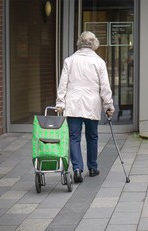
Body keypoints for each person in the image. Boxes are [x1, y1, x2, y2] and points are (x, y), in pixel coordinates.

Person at [56, 31, 115, 183]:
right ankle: (93, 168)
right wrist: (108, 105)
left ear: (79, 43)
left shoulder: (69, 61)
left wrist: (60, 103)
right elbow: (105, 87)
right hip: (91, 104)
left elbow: (63, 84)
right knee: (92, 136)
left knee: (74, 137)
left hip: (73, 104)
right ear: (94, 44)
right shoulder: (99, 62)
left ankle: (77, 169)